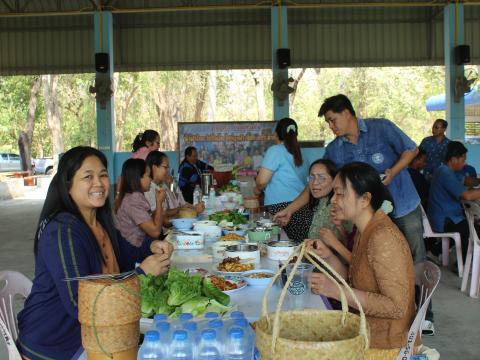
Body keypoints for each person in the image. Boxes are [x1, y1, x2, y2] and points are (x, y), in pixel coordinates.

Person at [17, 146, 173, 360]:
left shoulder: (99, 221)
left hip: (96, 333)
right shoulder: (63, 231)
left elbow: (125, 254)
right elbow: (80, 303)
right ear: (68, 183)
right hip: (56, 344)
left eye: (103, 175)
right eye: (87, 177)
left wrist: (151, 246)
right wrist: (141, 273)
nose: (98, 183)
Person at [275, 94, 425, 264]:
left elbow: (411, 150)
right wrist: (290, 210)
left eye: (333, 120)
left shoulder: (381, 128)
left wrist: (393, 171)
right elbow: (319, 183)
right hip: (370, 213)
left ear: (347, 113)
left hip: (403, 203)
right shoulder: (334, 149)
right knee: (378, 260)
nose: (331, 126)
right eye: (328, 122)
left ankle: (419, 288)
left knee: (414, 254)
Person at [306, 162, 416, 358]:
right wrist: (329, 256)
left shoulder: (383, 237)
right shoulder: (366, 230)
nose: (333, 200)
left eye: (340, 194)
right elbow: (354, 281)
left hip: (387, 346)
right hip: (365, 332)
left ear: (365, 199)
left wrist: (335, 290)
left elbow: (396, 307)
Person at [255, 117, 311, 243]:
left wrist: (257, 190)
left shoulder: (275, 150)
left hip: (281, 210)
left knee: (279, 247)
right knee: (298, 250)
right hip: (302, 207)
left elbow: (262, 182)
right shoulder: (302, 153)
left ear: (276, 135)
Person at [428, 141, 480, 262]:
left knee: (466, 224)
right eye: (463, 160)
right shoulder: (445, 172)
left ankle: (435, 252)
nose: (464, 163)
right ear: (454, 159)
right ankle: (466, 263)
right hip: (443, 219)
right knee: (470, 228)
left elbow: (467, 181)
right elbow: (466, 195)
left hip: (443, 215)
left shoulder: (446, 170)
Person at [306, 158, 352, 263]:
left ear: (334, 180)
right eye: (312, 177)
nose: (314, 183)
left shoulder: (345, 205)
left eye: (321, 178)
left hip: (338, 269)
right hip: (317, 263)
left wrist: (338, 231)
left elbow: (354, 251)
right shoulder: (322, 200)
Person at [115, 158, 166, 247]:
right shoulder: (133, 200)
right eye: (148, 175)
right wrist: (159, 202)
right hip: (133, 251)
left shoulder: (132, 196)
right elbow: (155, 232)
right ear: (138, 177)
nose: (151, 179)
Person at [144, 151, 204, 222]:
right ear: (154, 168)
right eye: (165, 167)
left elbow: (177, 199)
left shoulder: (164, 184)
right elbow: (164, 217)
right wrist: (192, 211)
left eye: (168, 168)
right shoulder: (149, 189)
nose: (167, 171)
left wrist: (172, 185)